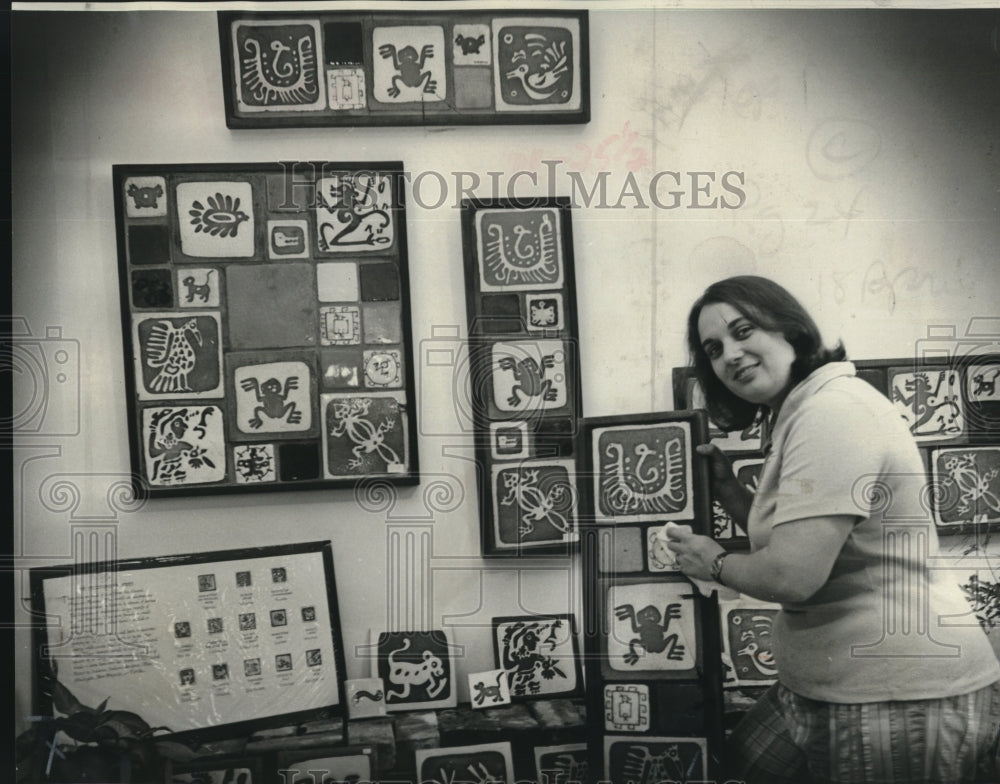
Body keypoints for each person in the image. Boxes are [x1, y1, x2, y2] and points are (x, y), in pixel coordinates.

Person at [665, 275, 1000, 784]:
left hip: (896, 693)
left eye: (744, 330)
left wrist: (713, 562)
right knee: (743, 766)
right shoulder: (802, 411)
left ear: (791, 331)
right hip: (824, 682)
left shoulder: (831, 412)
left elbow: (793, 575)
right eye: (714, 348)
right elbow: (810, 535)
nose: (730, 354)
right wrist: (730, 493)